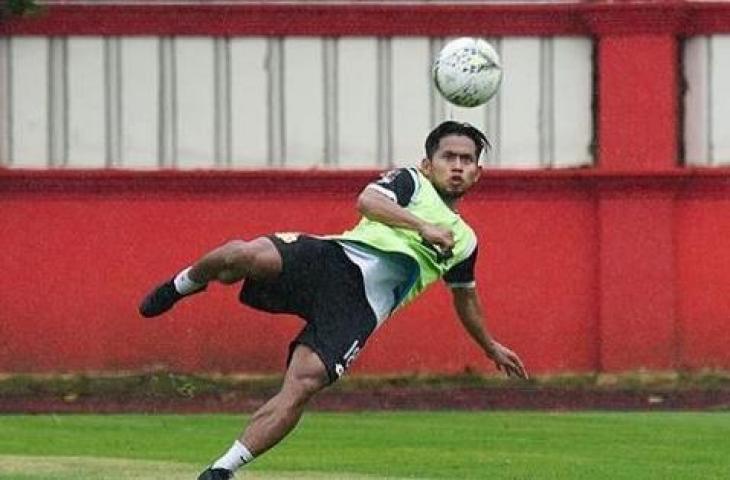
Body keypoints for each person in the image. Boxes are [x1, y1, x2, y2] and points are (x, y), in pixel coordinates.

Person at [139, 121, 528, 480]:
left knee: (303, 384)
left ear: (478, 172)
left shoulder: (467, 241)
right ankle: (184, 283)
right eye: (448, 157)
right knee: (241, 256)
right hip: (333, 260)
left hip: (360, 306)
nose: (457, 166)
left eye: (466, 160)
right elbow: (367, 202)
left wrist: (489, 345)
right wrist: (422, 226)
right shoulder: (411, 183)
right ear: (428, 165)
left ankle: (222, 469)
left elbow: (465, 298)